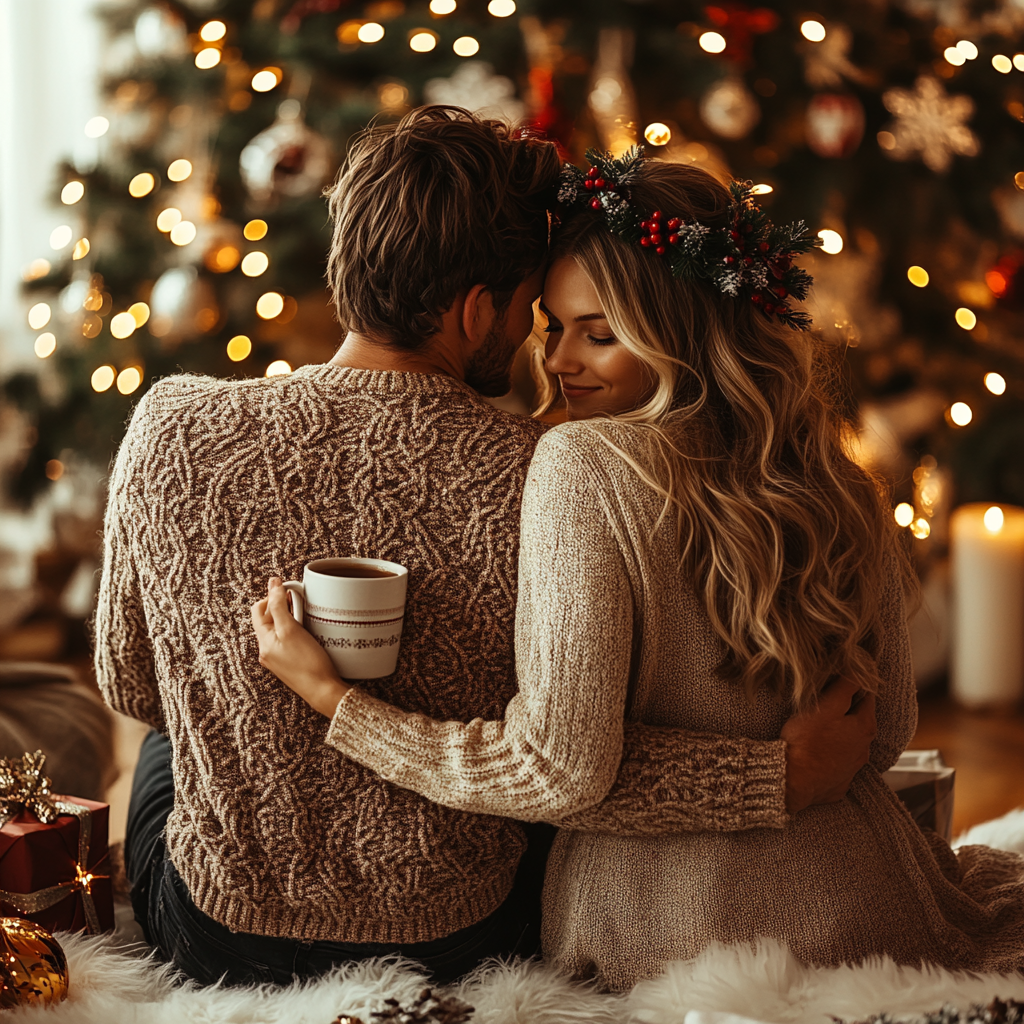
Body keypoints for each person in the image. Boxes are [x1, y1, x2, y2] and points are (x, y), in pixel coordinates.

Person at [96, 107, 872, 988]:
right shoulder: (548, 473)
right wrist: (781, 776)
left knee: (175, 723)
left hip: (214, 928)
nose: (543, 341)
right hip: (456, 936)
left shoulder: (171, 423)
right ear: (475, 310)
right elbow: (577, 766)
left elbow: (128, 682)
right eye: (530, 306)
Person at [253, 153, 1024, 992]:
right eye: (553, 326)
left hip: (663, 937)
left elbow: (553, 769)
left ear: (681, 334)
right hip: (875, 909)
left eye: (600, 333)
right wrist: (785, 770)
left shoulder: (579, 465)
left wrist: (341, 704)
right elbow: (884, 733)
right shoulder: (836, 477)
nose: (556, 359)